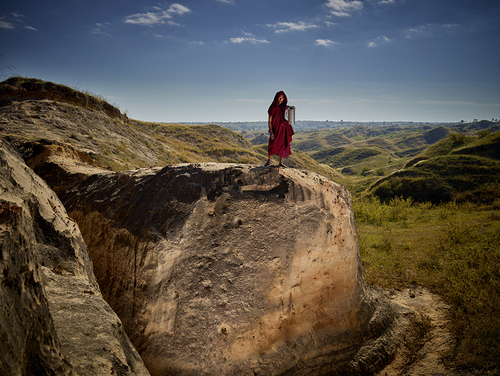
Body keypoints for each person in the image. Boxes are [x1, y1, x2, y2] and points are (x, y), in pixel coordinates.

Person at [265, 91, 295, 168]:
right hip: (275, 129)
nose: (280, 99)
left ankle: (280, 162)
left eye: (282, 98)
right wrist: (271, 132)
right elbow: (270, 121)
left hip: (284, 129)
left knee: (284, 144)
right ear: (276, 98)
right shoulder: (273, 107)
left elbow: (289, 113)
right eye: (279, 98)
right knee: (272, 143)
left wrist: (292, 108)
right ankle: (269, 160)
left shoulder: (284, 107)